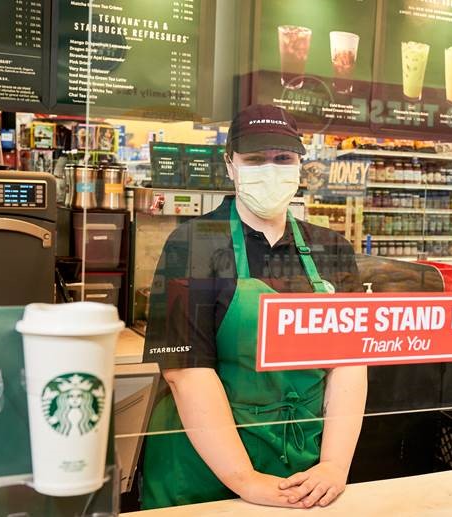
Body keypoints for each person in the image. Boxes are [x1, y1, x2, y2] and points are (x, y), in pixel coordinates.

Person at [141, 105, 367, 510]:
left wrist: (333, 465)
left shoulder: (332, 249)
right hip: (205, 469)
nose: (271, 169)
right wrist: (243, 478)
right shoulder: (192, 243)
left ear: (300, 164)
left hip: (303, 465)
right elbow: (186, 373)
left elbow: (349, 364)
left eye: (283, 159)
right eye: (255, 159)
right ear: (231, 165)